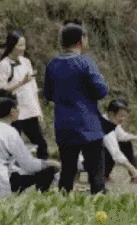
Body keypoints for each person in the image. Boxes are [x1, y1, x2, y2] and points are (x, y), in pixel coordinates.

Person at [44, 23, 110, 194]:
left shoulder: (52, 64)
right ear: (81, 41)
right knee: (96, 171)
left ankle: (63, 202)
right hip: (88, 124)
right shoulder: (85, 62)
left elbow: (48, 94)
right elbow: (102, 90)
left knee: (67, 170)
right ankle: (98, 201)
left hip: (64, 124)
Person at [0, 90, 61, 201]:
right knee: (49, 170)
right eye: (17, 108)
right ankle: (40, 200)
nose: (19, 110)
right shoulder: (10, 132)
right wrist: (50, 163)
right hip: (2, 184)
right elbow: (29, 165)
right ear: (12, 112)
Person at [0, 29, 48, 159]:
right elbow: (1, 90)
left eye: (24, 44)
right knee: (13, 147)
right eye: (20, 45)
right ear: (12, 46)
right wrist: (21, 82)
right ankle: (8, 170)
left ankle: (44, 170)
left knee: (41, 144)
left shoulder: (26, 62)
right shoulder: (4, 65)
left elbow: (33, 89)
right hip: (14, 112)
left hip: (29, 111)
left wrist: (39, 110)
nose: (23, 48)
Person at [103, 99, 137, 183]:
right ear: (111, 114)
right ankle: (103, 176)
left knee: (125, 143)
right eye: (121, 116)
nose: (123, 119)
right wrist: (133, 170)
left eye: (125, 116)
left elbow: (122, 136)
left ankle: (134, 176)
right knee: (112, 150)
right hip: (86, 161)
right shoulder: (105, 126)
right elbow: (116, 154)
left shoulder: (110, 121)